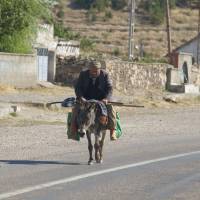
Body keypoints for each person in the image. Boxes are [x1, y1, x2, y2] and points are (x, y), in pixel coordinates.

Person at [70, 59, 117, 141]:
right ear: (89, 70)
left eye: (96, 71)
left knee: (111, 109)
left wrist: (106, 99)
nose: (94, 72)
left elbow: (110, 88)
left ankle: (112, 131)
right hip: (86, 99)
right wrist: (81, 97)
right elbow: (78, 87)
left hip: (101, 99)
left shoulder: (105, 75)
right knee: (75, 108)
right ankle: (73, 130)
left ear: (99, 69)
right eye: (92, 71)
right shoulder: (83, 74)